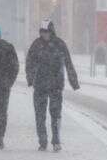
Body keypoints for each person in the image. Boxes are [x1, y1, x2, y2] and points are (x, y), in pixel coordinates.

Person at [26, 19, 80, 152]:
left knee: (55, 114)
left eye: (46, 32)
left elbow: (68, 63)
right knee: (40, 114)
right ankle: (42, 141)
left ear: (51, 31)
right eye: (42, 32)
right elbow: (29, 62)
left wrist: (74, 81)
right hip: (40, 84)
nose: (44, 34)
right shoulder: (36, 44)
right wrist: (30, 77)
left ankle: (56, 140)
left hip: (56, 84)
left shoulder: (60, 44)